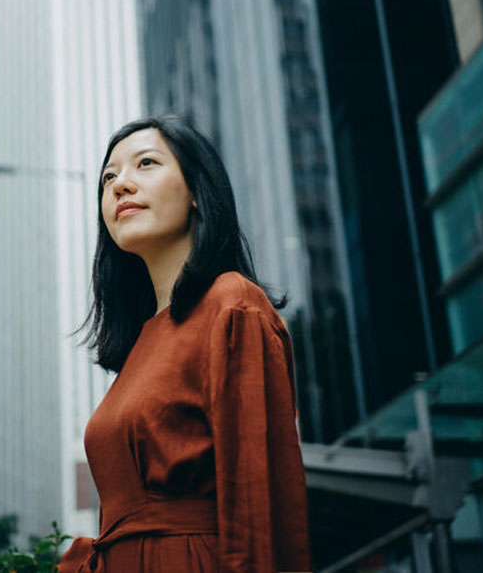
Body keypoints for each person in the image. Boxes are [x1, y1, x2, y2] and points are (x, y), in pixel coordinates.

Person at [59, 116, 312, 572]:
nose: (120, 185)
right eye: (109, 178)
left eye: (146, 164)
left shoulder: (232, 305)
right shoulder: (139, 347)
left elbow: (258, 502)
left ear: (197, 191)